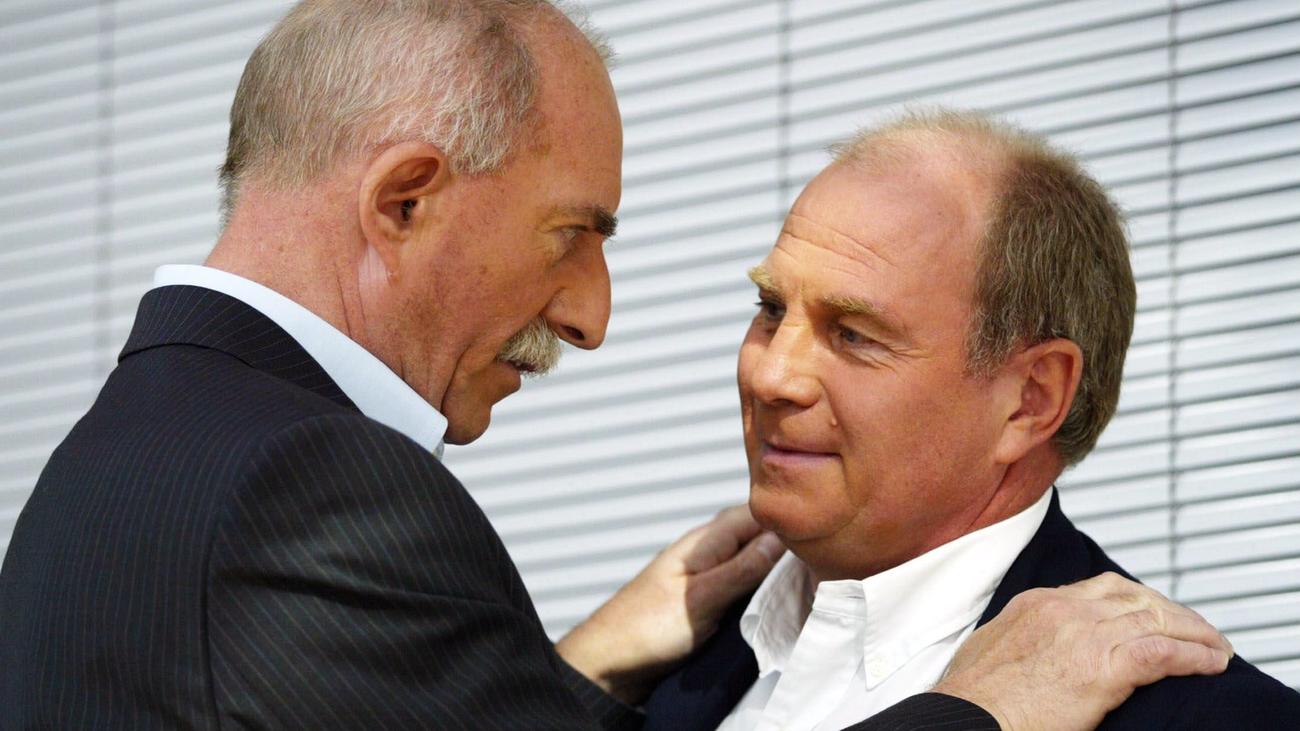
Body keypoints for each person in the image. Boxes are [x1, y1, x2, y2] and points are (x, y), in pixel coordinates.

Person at [0, 3, 1233, 730]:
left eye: (854, 332)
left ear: (1032, 395)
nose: (592, 316)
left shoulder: (108, 469)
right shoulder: (303, 488)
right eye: (569, 233)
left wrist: (577, 667)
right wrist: (975, 714)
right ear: (406, 200)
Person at [643, 110, 1300, 730]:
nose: (771, 376)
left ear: (1031, 399)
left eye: (853, 334)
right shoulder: (655, 662)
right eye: (770, 308)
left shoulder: (1219, 717)